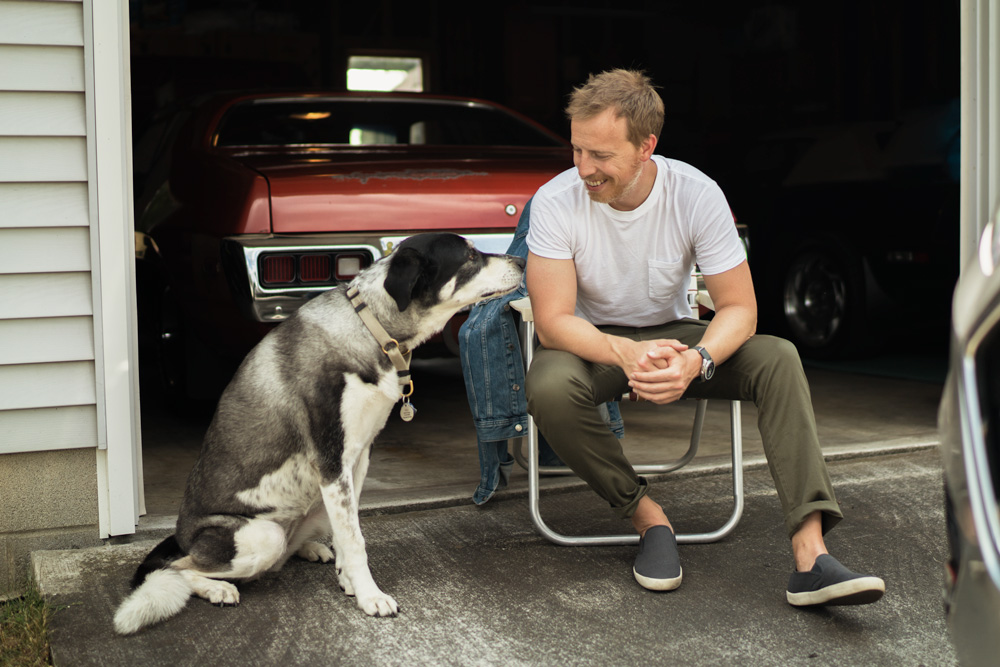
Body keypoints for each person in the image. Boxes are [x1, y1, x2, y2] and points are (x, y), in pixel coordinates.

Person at [523, 69, 885, 606]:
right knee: (547, 386)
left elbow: (741, 308)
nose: (583, 168)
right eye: (577, 150)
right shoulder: (556, 201)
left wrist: (697, 359)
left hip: (678, 340)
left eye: (600, 155)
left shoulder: (696, 194)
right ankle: (649, 520)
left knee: (778, 357)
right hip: (595, 344)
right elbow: (553, 321)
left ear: (647, 146)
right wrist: (625, 350)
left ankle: (811, 557)